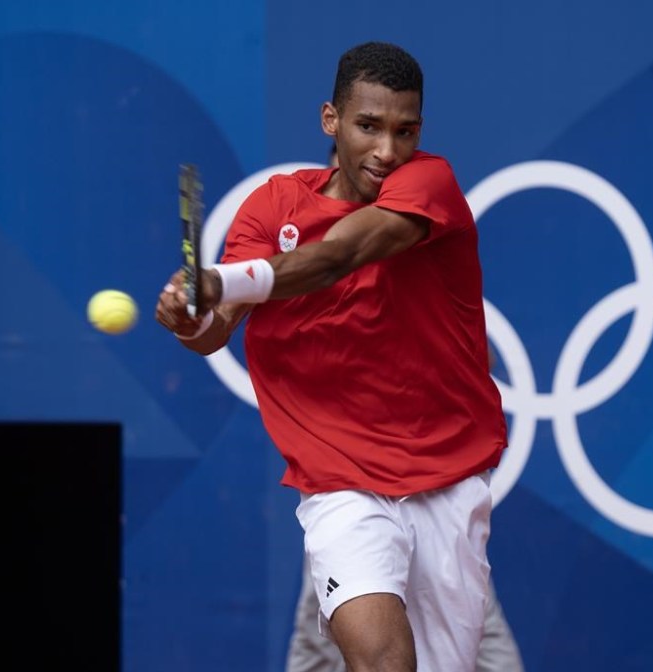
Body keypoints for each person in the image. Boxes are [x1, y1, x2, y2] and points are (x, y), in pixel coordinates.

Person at [155, 42, 509, 672]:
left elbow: (338, 255)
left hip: (448, 478)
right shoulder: (273, 205)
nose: (387, 151)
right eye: (368, 126)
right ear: (331, 120)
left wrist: (222, 281)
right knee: (382, 663)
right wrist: (192, 317)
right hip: (340, 482)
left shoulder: (431, 185)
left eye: (405, 131)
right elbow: (216, 331)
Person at [284, 143, 525, 672]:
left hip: (433, 491)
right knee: (333, 644)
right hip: (347, 485)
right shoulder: (309, 259)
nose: (379, 164)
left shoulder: (427, 253)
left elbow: (467, 367)